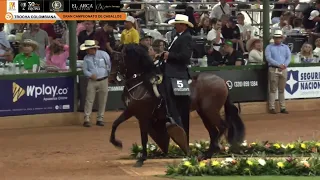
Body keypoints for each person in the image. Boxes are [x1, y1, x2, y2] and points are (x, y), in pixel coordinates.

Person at [162, 14, 193, 143]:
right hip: (171, 68)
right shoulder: (177, 36)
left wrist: (170, 55)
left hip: (177, 71)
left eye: (177, 24)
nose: (175, 26)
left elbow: (185, 56)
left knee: (169, 92)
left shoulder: (186, 38)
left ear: (182, 25)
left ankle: (173, 115)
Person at [82, 40, 111, 127]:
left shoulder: (104, 54)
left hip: (104, 80)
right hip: (92, 81)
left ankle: (100, 118)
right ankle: (87, 118)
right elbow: (85, 70)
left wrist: (108, 76)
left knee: (103, 100)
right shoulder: (86, 58)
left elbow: (109, 65)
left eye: (88, 49)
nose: (87, 51)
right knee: (89, 100)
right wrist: (90, 75)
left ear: (93, 48)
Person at [265, 30, 291, 114]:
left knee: (281, 89)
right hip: (273, 68)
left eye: (279, 38)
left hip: (283, 69)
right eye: (276, 38)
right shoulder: (269, 47)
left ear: (282, 38)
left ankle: (282, 107)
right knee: (272, 89)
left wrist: (284, 65)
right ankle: (272, 107)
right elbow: (268, 58)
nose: (277, 39)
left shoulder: (285, 47)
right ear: (273, 38)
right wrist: (279, 65)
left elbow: (289, 57)